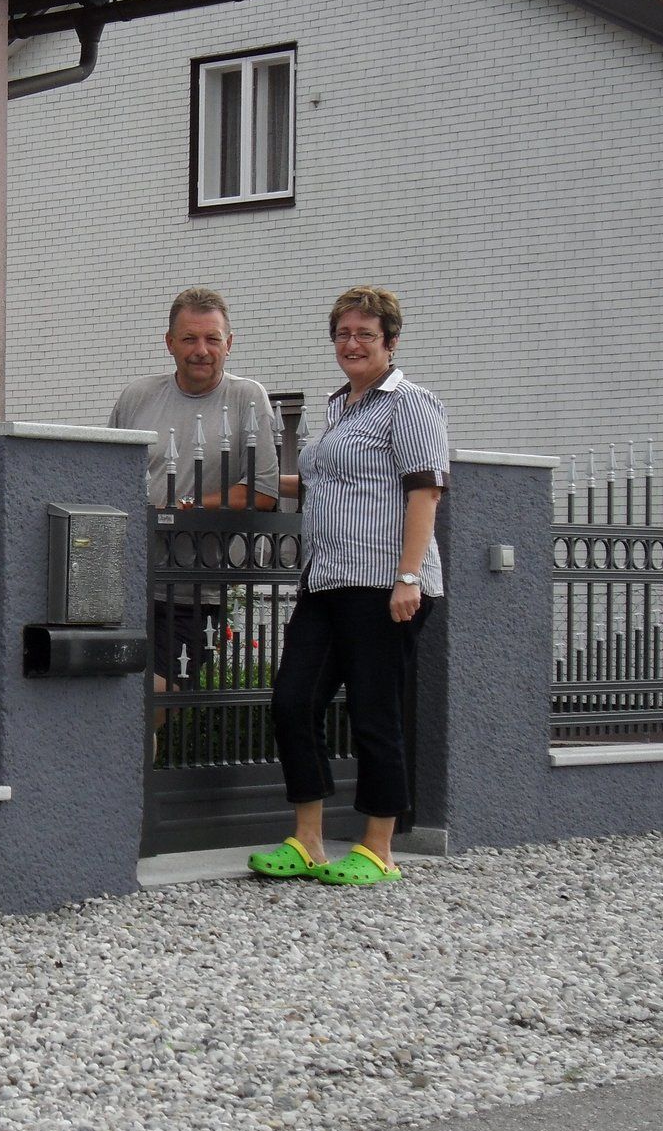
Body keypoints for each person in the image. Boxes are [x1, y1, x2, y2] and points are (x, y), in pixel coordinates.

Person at [249, 286, 447, 888]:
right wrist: (237, 483)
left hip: (386, 585)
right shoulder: (338, 408)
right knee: (293, 701)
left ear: (390, 340)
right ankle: (308, 841)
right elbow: (321, 484)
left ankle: (378, 850)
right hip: (326, 580)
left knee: (373, 714)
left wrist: (408, 577)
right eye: (343, 334)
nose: (352, 344)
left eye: (365, 334)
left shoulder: (409, 404)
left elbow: (424, 492)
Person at [111, 288, 280, 693]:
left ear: (229, 343)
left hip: (196, 587)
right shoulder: (138, 396)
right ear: (169, 343)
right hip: (132, 577)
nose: (201, 350)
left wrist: (186, 507)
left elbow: (263, 492)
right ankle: (135, 760)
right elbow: (111, 478)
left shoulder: (247, 398)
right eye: (189, 339)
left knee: (156, 692)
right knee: (116, 693)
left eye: (212, 339)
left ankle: (137, 757)